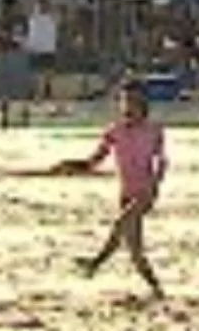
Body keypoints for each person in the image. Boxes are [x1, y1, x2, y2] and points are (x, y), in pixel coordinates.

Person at [62, 78, 167, 299]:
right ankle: (156, 287)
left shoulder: (154, 130)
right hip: (126, 193)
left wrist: (155, 186)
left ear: (143, 104)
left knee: (121, 223)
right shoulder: (114, 131)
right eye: (125, 101)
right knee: (135, 250)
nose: (129, 106)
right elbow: (95, 160)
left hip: (144, 193)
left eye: (134, 101)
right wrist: (73, 165)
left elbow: (162, 162)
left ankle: (95, 262)